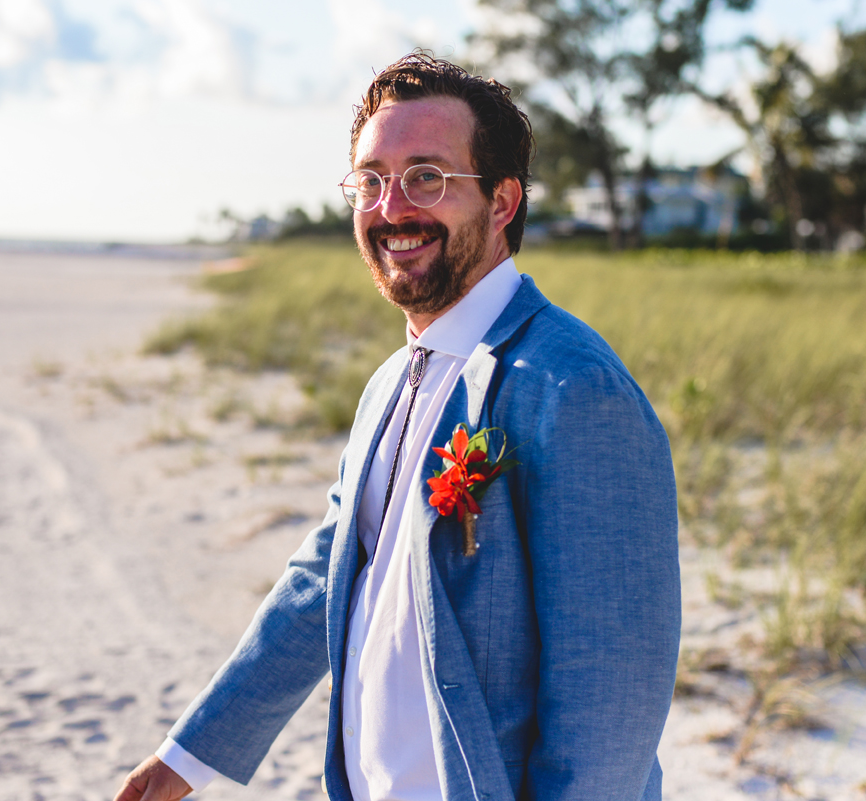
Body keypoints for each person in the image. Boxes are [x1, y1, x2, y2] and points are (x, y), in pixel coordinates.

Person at [115, 52, 680, 801]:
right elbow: (324, 576)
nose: (392, 207)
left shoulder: (570, 385)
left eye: (427, 176)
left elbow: (612, 687)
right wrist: (190, 755)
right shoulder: (392, 380)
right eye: (371, 180)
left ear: (503, 202)